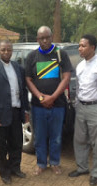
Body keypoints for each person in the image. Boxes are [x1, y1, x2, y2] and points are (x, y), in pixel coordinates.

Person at [25, 26, 72, 175]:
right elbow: (28, 79)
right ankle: (41, 163)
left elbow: (66, 77)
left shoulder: (60, 54)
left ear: (51, 37)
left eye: (47, 37)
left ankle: (55, 163)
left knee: (56, 136)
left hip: (57, 105)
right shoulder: (32, 56)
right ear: (37, 39)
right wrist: (40, 97)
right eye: (41, 38)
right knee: (39, 136)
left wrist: (52, 97)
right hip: (38, 106)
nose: (44, 40)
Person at [68, 34, 97, 186]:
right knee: (79, 140)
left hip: (96, 108)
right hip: (81, 107)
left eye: (83, 46)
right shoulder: (80, 65)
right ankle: (82, 168)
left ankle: (96, 173)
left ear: (92, 47)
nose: (79, 48)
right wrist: (77, 104)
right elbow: (80, 87)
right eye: (79, 46)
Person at [0, 38, 30, 184]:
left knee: (16, 143)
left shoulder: (18, 67)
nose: (6, 52)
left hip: (16, 112)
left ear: (12, 51)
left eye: (9, 49)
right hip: (0, 115)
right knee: (1, 146)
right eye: (3, 50)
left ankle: (15, 168)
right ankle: (4, 173)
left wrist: (26, 110)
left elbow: (23, 90)